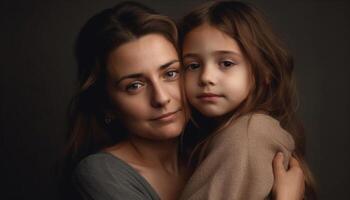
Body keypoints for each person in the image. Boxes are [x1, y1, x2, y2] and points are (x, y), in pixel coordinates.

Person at [62, 1, 306, 200]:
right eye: (134, 86)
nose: (161, 98)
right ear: (107, 104)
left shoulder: (226, 146)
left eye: (170, 73)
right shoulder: (101, 175)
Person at [178, 1, 316, 199]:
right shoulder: (221, 134)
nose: (206, 77)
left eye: (226, 63)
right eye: (192, 65)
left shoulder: (247, 134)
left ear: (265, 71)